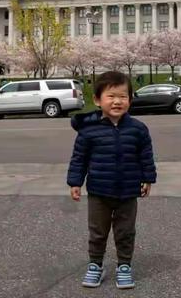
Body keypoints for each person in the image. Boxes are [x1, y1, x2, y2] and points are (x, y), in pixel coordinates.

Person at [67, 71, 157, 289]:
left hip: (128, 191)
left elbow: (146, 155)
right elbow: (79, 158)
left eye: (123, 96)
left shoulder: (138, 129)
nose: (117, 101)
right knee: (97, 231)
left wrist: (148, 178)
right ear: (98, 100)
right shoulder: (88, 130)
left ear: (130, 100)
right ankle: (96, 265)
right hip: (99, 191)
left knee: (125, 231)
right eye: (111, 96)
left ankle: (124, 265)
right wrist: (75, 182)